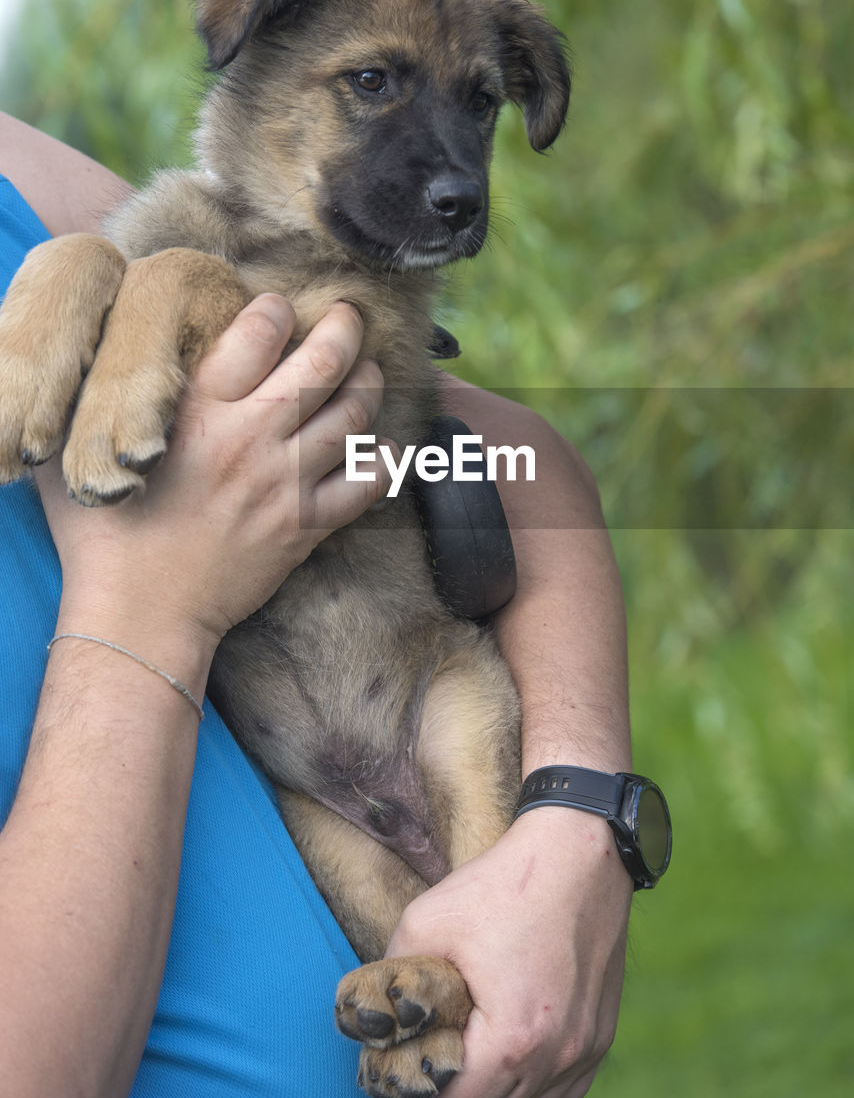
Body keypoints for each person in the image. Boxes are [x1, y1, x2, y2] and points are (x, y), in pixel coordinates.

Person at [0, 112, 633, 1098]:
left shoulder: (17, 177)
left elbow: (507, 452)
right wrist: (149, 608)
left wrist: (573, 818)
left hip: (415, 758)